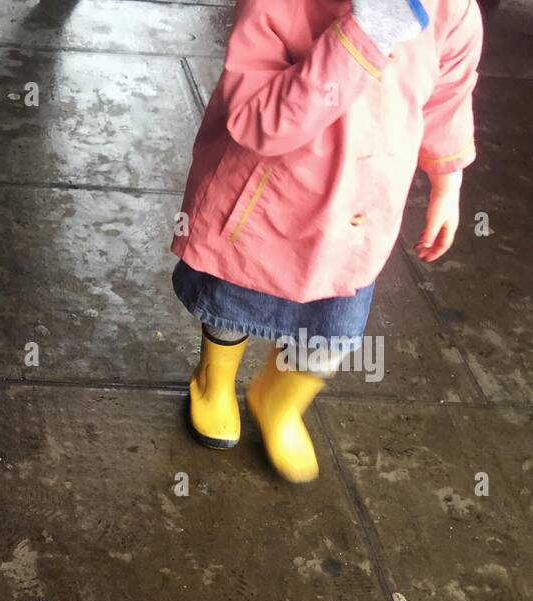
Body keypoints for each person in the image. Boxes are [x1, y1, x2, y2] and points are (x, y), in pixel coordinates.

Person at [171, 0, 484, 482]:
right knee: (234, 304)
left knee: (331, 328)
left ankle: (279, 403)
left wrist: (449, 181)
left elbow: (449, 94)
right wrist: (367, 31)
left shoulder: (452, 9)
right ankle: (214, 382)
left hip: (356, 212)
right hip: (266, 200)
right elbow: (259, 119)